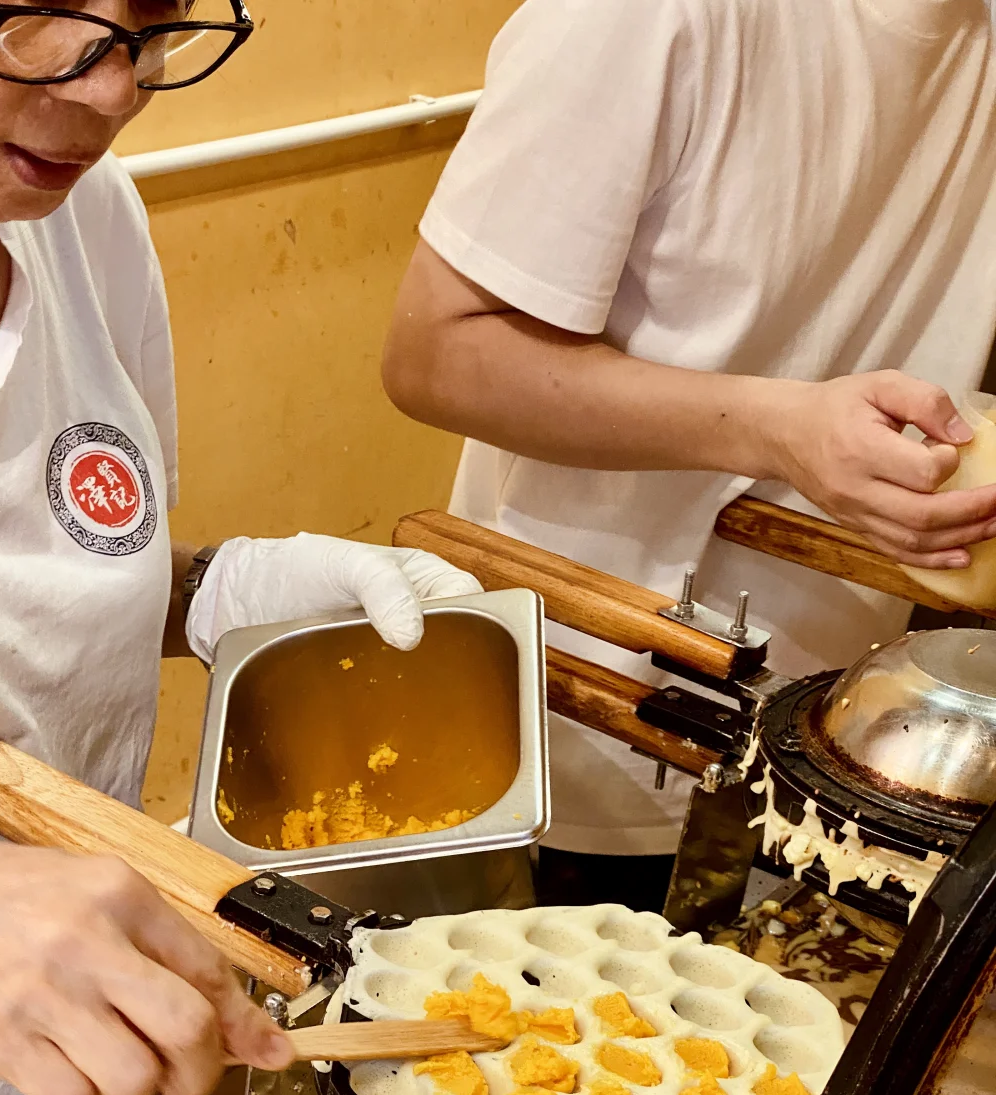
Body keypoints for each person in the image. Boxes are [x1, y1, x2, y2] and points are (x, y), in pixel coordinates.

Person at [0, 2, 479, 1095]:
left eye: (159, 24)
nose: (114, 88)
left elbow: (47, 579)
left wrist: (227, 589)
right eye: (43, 9)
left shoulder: (79, 220)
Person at [382, 0, 996, 912]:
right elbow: (436, 353)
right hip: (590, 700)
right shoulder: (648, 17)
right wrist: (779, 429)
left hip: (846, 726)